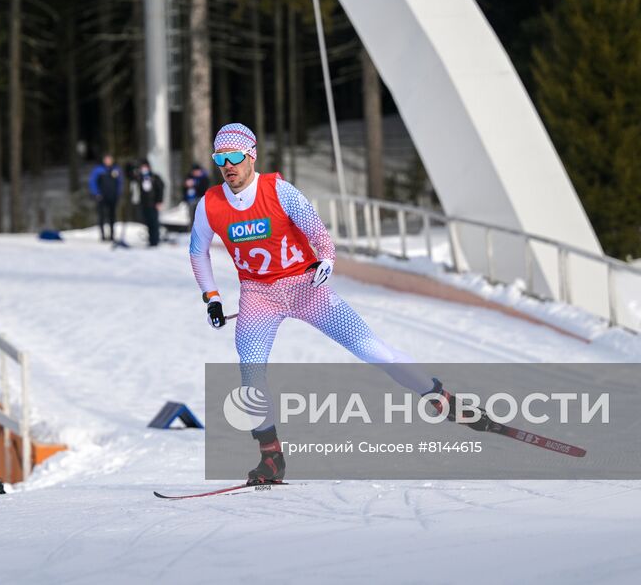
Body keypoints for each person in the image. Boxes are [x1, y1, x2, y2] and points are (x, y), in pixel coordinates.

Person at [188, 122, 456, 485]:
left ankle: (437, 394)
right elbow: (197, 251)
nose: (228, 165)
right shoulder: (210, 204)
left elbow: (318, 233)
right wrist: (212, 297)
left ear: (251, 156)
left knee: (370, 348)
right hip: (258, 295)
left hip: (304, 286)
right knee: (250, 375)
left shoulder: (280, 191)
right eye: (220, 158)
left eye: (235, 156)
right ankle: (271, 460)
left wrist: (326, 260)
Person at [88, 154, 122, 242]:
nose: (108, 161)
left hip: (113, 196)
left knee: (112, 216)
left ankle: (111, 235)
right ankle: (102, 235)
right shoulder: (98, 170)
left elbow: (120, 183)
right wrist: (96, 193)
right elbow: (92, 182)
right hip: (101, 196)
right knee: (102, 216)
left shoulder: (116, 169)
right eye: (106, 159)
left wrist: (118, 194)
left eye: (109, 159)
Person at [132, 158, 165, 247]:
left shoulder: (155, 177)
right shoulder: (139, 177)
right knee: (148, 222)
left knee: (154, 222)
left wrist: (159, 201)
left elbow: (161, 189)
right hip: (144, 203)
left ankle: (155, 240)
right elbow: (130, 175)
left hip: (154, 203)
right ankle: (151, 240)